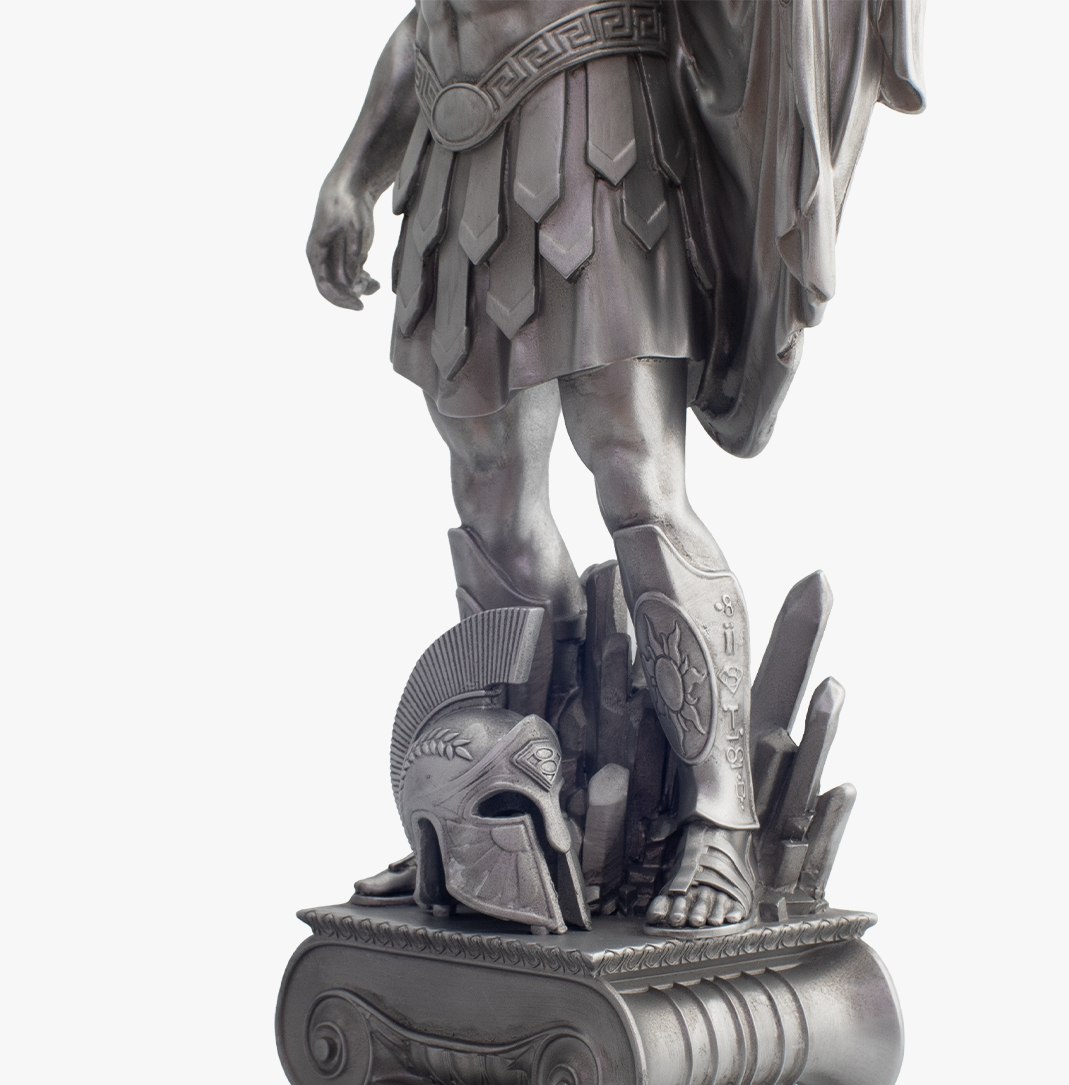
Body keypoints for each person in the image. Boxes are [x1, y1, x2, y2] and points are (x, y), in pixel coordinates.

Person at [307, 1, 924, 928]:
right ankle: (530, 803)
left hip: (598, 127)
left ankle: (720, 819)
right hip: (453, 144)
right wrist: (355, 172)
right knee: (490, 489)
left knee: (638, 481)